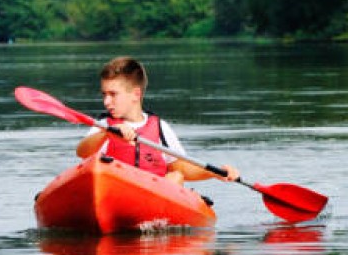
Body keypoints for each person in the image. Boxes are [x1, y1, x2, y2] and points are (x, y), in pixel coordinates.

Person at [76, 56, 240, 185]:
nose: (106, 102)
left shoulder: (160, 127)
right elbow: (82, 152)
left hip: (152, 195)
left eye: (113, 94)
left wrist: (213, 172)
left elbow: (180, 166)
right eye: (104, 94)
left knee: (175, 176)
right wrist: (106, 134)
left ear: (135, 94)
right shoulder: (103, 125)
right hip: (115, 190)